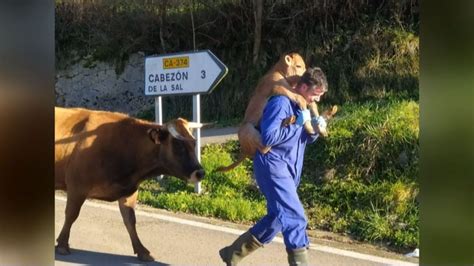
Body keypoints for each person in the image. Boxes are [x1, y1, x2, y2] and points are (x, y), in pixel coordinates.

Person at [219, 67, 328, 266]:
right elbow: (268, 137)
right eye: (315, 95)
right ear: (303, 87)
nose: (317, 100)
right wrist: (297, 125)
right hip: (272, 167)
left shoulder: (302, 107)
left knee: (277, 219)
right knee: (295, 218)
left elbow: (301, 139)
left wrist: (314, 129)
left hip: (289, 170)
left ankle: (232, 253)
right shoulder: (281, 103)